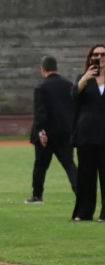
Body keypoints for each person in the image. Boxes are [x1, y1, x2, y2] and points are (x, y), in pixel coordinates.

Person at [26, 56, 77, 204]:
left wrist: (41, 130)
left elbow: (40, 111)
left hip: (46, 134)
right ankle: (80, 191)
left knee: (40, 166)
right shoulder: (68, 85)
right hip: (65, 133)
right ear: (56, 68)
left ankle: (37, 195)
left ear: (43, 69)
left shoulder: (41, 87)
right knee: (69, 164)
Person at [71, 45, 105, 221]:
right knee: (86, 176)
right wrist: (85, 78)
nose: (99, 57)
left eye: (102, 54)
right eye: (95, 54)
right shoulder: (83, 79)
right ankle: (83, 212)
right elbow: (73, 95)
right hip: (86, 134)